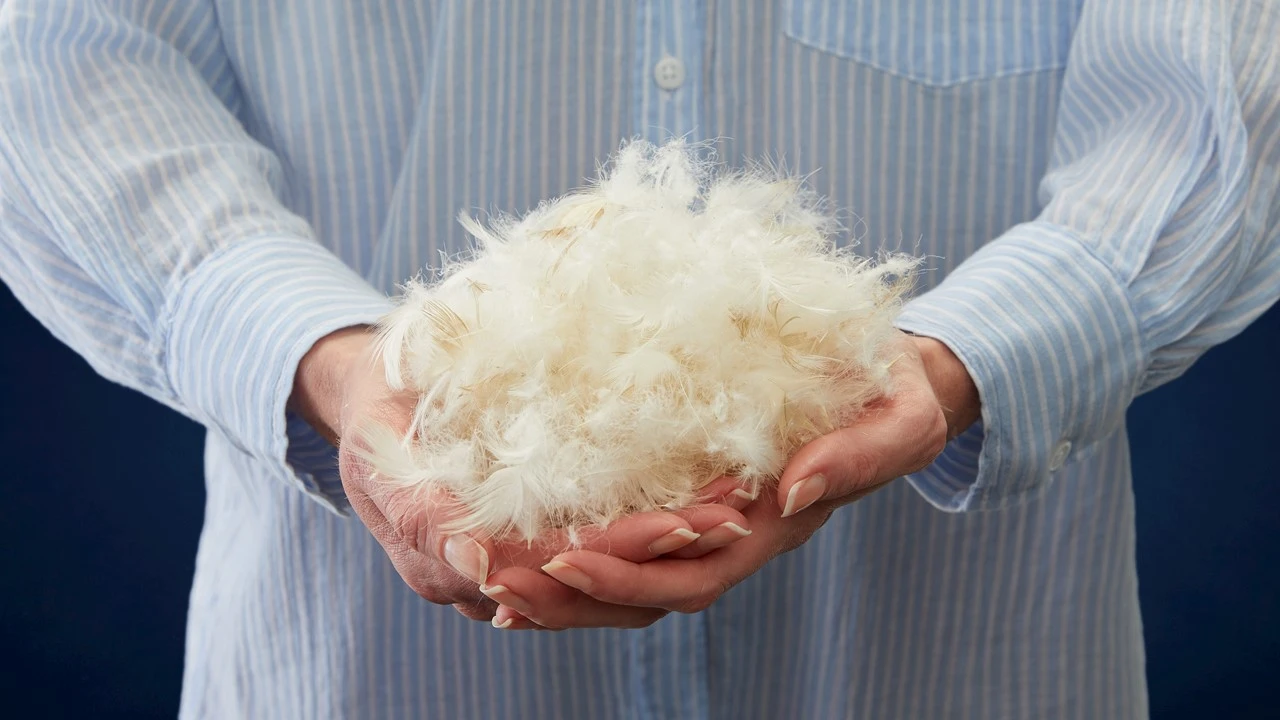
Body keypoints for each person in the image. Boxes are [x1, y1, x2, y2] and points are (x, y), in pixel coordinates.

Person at [2, 1, 1277, 718]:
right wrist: (328, 366)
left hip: (954, 664)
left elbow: (1217, 88)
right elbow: (61, 65)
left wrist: (958, 365)